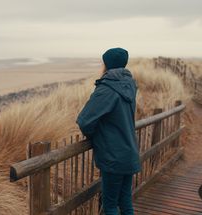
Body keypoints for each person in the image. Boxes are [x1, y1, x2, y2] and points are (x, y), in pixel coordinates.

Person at [76, 47, 140, 215]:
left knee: (110, 205)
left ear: (107, 64)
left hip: (114, 156)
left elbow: (84, 120)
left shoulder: (107, 89)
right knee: (125, 202)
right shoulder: (130, 85)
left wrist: (94, 136)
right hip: (129, 153)